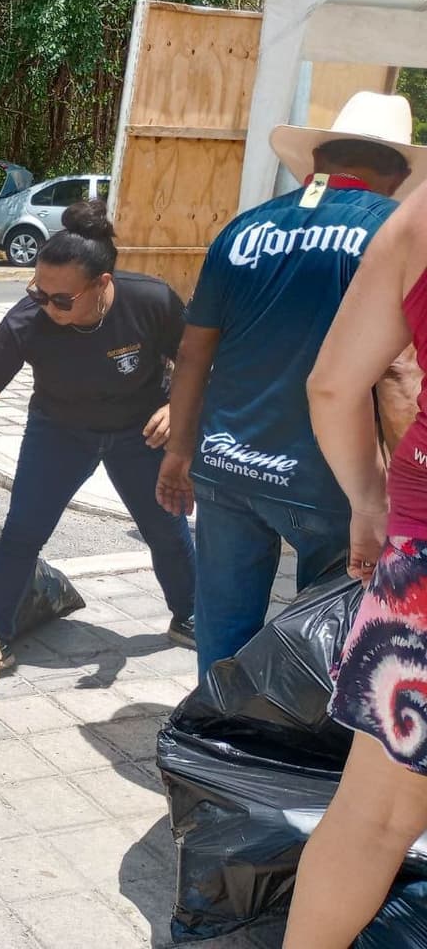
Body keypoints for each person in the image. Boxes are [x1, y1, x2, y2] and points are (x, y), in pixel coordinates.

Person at [157, 91, 425, 679]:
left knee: (223, 628)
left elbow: (192, 349)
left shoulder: (243, 229)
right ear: (400, 174)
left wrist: (180, 449)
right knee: (329, 638)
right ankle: (301, 763)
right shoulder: (392, 234)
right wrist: (397, 502)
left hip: (227, 466)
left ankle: (212, 747)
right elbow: (400, 374)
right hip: (331, 483)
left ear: (316, 162)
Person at [0, 200, 196, 659]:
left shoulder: (151, 301)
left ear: (102, 284)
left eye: (61, 299)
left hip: (138, 433)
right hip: (60, 430)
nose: (46, 305)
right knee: (24, 532)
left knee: (165, 527)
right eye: (37, 292)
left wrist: (178, 408)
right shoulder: (27, 322)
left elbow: (196, 361)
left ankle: (189, 614)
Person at [282, 179, 427, 948]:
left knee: (374, 819)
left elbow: (334, 384)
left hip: (425, 557)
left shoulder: (418, 214)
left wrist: (370, 503)